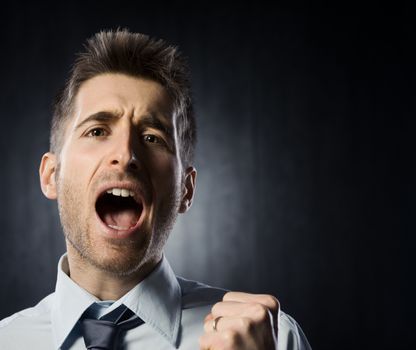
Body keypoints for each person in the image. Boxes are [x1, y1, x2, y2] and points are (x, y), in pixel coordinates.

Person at [0, 29, 311, 350]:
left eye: (152, 137)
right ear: (52, 175)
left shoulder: (273, 338)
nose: (126, 154)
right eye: (97, 130)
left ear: (185, 190)